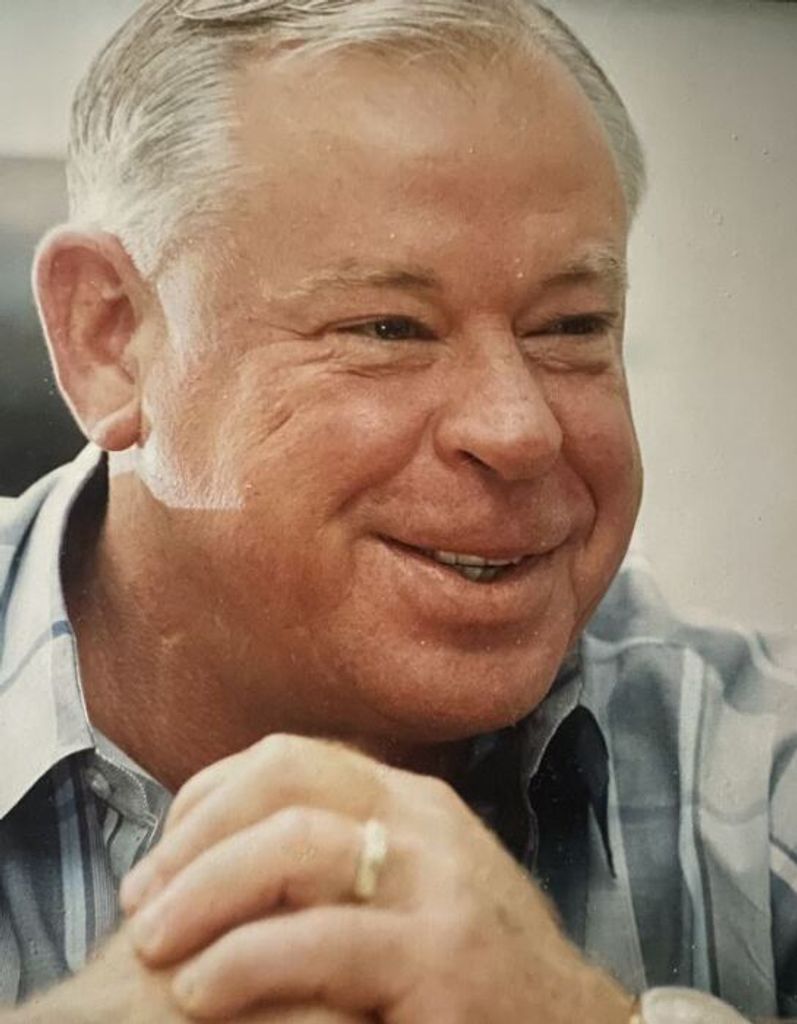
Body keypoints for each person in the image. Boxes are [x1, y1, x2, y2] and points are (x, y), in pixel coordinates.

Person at [0, 0, 795, 1021]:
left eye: (569, 326)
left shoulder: (758, 768)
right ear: (110, 339)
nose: (519, 431)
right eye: (389, 328)